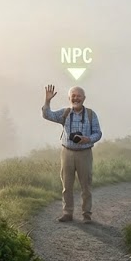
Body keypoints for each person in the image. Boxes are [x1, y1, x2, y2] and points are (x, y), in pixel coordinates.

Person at [42, 84, 102, 223]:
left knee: (86, 186)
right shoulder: (65, 113)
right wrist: (47, 101)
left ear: (84, 98)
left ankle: (86, 215)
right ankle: (67, 213)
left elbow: (98, 133)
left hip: (85, 152)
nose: (76, 98)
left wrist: (88, 139)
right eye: (73, 96)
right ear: (69, 98)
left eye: (78, 96)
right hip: (67, 152)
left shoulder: (91, 114)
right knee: (66, 185)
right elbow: (47, 115)